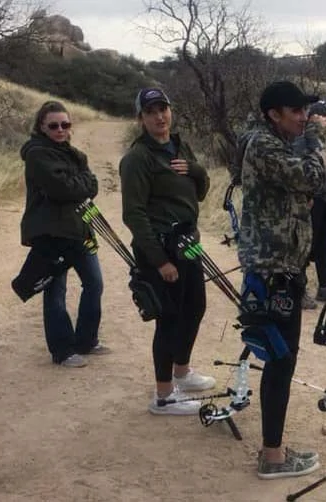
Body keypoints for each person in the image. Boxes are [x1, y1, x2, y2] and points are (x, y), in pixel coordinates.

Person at [238, 80, 326, 479]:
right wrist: (320, 144)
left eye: (306, 111)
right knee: (280, 361)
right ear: (274, 114)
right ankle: (273, 458)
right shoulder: (263, 145)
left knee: (283, 360)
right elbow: (311, 177)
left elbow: (309, 187)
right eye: (296, 111)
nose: (304, 117)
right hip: (273, 271)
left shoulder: (277, 144)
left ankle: (273, 451)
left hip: (285, 270)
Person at [119, 88, 216, 415]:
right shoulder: (137, 158)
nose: (159, 116)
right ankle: (164, 396)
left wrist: (196, 171)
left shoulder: (179, 146)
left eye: (163, 109)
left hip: (188, 241)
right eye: (151, 111)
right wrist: (159, 261)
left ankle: (182, 372)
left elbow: (200, 192)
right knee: (169, 318)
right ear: (141, 118)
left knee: (195, 307)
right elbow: (133, 214)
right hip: (160, 247)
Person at [20, 100, 108, 368]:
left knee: (94, 283)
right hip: (51, 233)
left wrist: (78, 184)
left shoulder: (74, 154)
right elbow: (62, 189)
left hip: (79, 228)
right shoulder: (37, 154)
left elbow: (91, 185)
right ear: (42, 127)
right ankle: (62, 350)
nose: (60, 130)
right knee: (55, 289)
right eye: (54, 125)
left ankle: (86, 340)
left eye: (65, 125)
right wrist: (79, 184)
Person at [294, 101, 326, 307]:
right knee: (306, 244)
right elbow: (301, 167)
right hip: (312, 199)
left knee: (324, 244)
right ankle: (300, 290)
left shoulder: (323, 138)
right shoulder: (304, 137)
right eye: (325, 116)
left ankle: (324, 287)